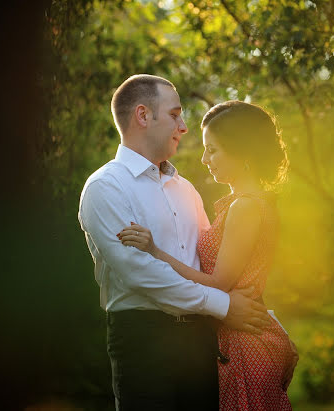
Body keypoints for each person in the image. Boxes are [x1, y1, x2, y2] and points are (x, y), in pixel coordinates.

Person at [78, 75, 274, 410]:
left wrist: (269, 327)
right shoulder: (105, 187)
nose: (183, 127)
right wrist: (225, 307)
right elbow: (141, 273)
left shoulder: (186, 191)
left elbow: (215, 265)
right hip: (144, 342)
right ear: (143, 116)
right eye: (174, 114)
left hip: (201, 342)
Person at [119, 100, 297, 410]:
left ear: (243, 154)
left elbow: (218, 283)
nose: (204, 159)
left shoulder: (246, 207)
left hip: (245, 346)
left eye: (212, 150)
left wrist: (155, 251)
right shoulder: (247, 203)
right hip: (237, 337)